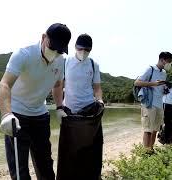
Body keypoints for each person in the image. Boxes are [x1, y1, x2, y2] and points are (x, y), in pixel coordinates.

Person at [0, 23, 71, 180]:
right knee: (19, 170)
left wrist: (59, 107)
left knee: (45, 165)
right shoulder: (23, 54)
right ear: (44, 37)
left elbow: (58, 84)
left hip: (40, 117)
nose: (56, 53)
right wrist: (6, 114)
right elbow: (4, 84)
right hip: (17, 116)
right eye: (53, 47)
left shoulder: (59, 60)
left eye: (60, 50)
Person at [56, 34, 105, 180]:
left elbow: (97, 87)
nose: (83, 51)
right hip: (70, 112)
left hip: (90, 110)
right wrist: (59, 107)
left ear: (91, 50)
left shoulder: (93, 65)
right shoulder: (65, 62)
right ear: (75, 47)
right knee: (69, 148)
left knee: (90, 147)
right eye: (80, 48)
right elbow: (59, 85)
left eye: (87, 49)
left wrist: (100, 100)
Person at [134, 52, 172, 153]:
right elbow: (137, 82)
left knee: (155, 129)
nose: (169, 64)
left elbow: (160, 87)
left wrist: (165, 88)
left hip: (159, 104)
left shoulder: (164, 73)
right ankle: (146, 151)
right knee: (148, 129)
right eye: (169, 62)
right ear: (162, 60)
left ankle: (150, 150)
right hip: (149, 103)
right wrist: (153, 84)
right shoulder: (150, 69)